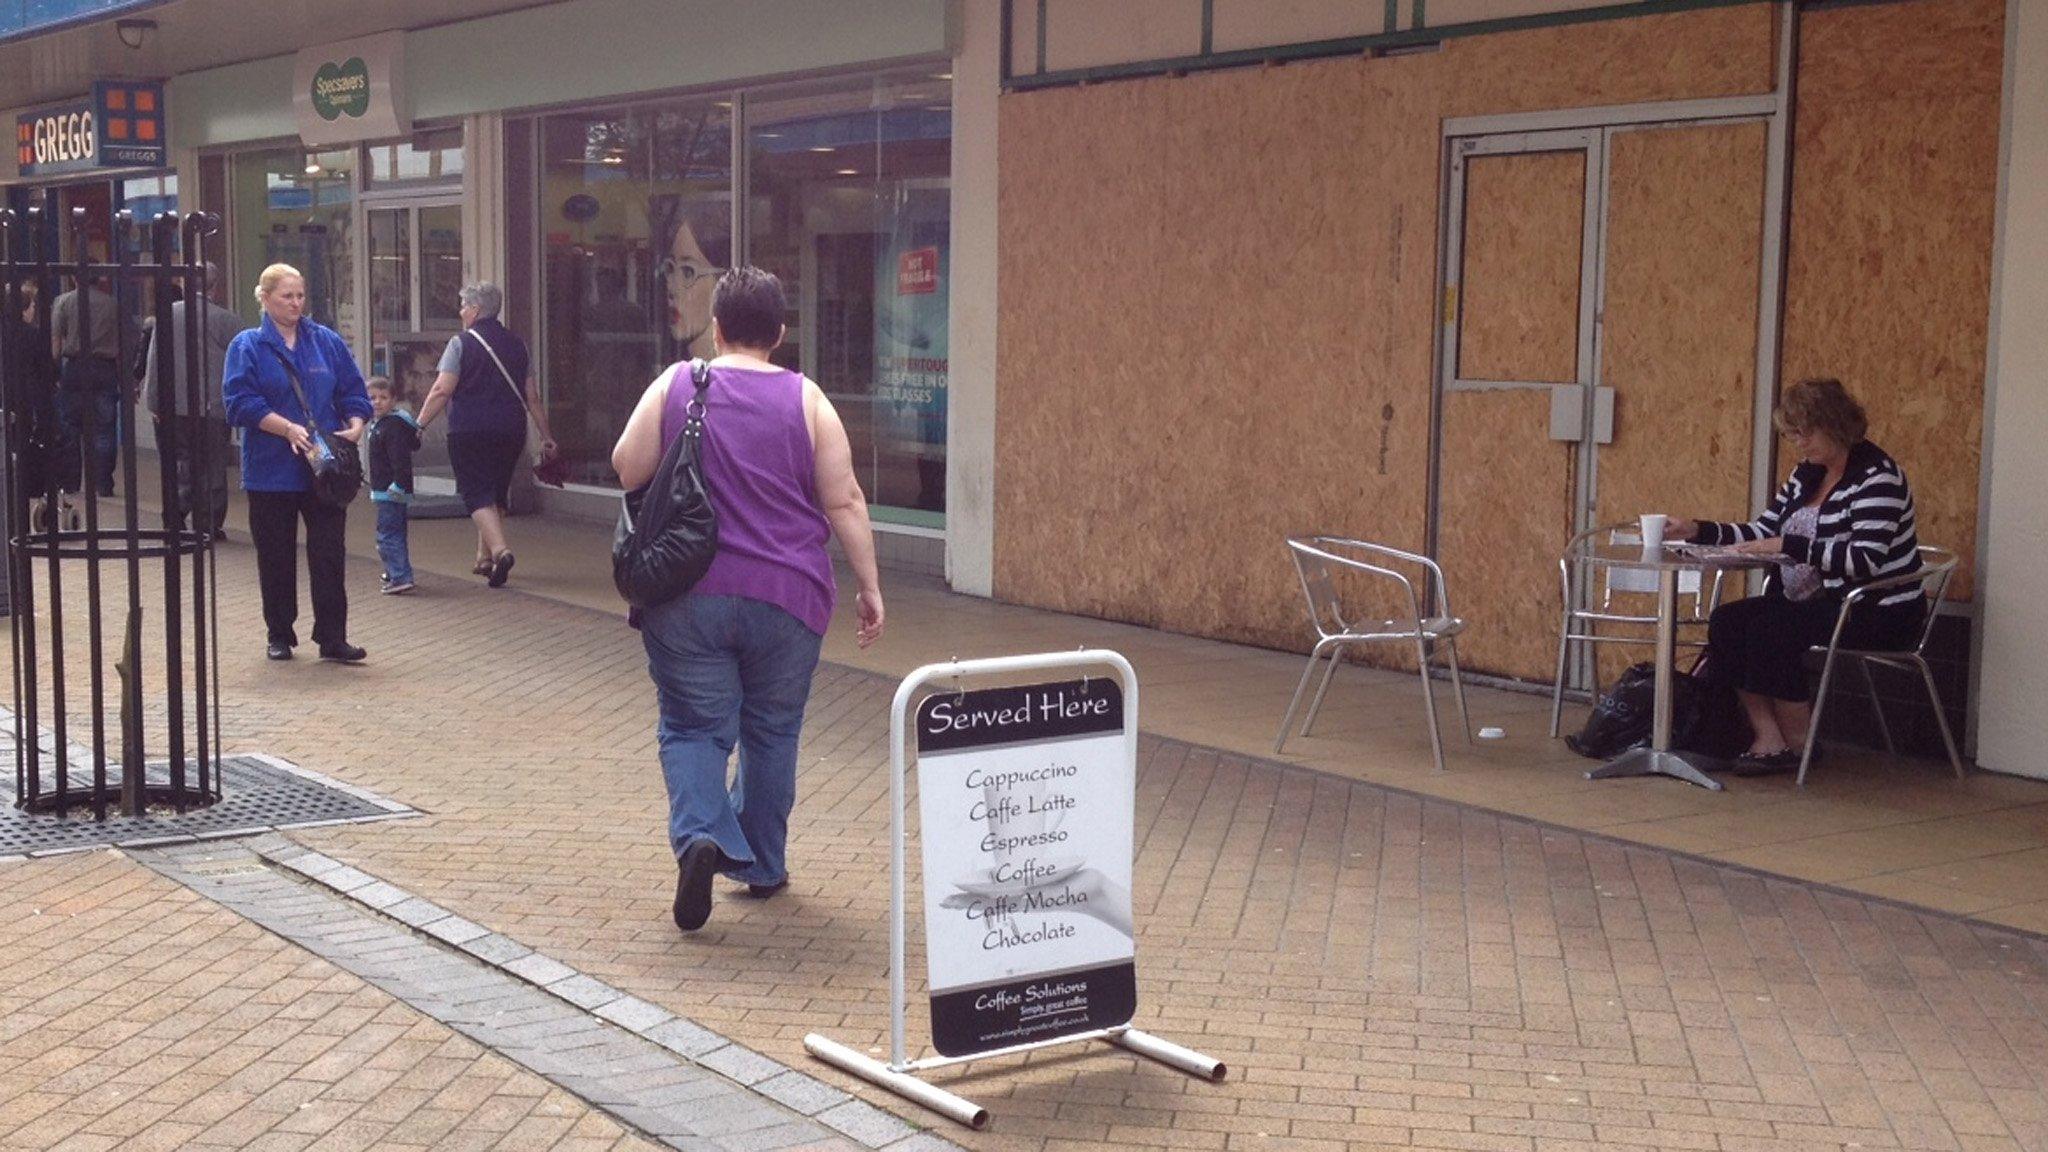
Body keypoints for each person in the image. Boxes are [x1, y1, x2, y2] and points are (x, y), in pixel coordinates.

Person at [611, 266, 885, 932]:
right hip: (789, 597)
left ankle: (702, 834)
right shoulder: (808, 399)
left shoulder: (679, 382)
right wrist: (870, 587)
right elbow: (844, 499)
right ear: (781, 332)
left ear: (718, 328)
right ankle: (762, 863)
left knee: (693, 726)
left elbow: (626, 465)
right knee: (772, 731)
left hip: (688, 591)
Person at [1665, 378, 1924, 774]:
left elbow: (1865, 560)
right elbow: (1764, 531)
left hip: (1877, 609)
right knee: (1729, 622)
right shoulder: (1807, 474)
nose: (1799, 443)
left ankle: (1801, 745)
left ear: (1835, 424)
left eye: (1806, 432)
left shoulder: (1878, 478)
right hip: (1818, 601)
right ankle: (1767, 736)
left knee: (1774, 627)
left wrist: (1790, 546)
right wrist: (1698, 530)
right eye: (1793, 435)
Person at [221, 263, 373, 664]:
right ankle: (279, 633)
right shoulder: (247, 345)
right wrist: (285, 429)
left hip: (323, 470)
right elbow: (239, 403)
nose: (296, 303)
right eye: (287, 296)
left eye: (300, 295)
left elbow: (353, 390)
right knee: (275, 554)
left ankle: (332, 637)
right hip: (271, 469)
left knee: (328, 552)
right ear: (266, 298)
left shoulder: (325, 341)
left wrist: (356, 425)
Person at [416, 282, 556, 588]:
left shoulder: (460, 343)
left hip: (469, 430)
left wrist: (419, 424)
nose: (461, 311)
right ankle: (484, 558)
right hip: (510, 430)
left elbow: (442, 389)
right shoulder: (518, 345)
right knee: (494, 491)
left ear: (476, 310)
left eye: (464, 305)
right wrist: (546, 435)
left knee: (476, 493)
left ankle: (501, 551)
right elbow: (532, 397)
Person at [145, 262, 249, 539]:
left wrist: (154, 401)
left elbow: (155, 361)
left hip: (174, 405)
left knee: (179, 461)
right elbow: (242, 364)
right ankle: (208, 523)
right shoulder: (228, 320)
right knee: (212, 465)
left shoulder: (165, 316)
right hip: (212, 406)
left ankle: (174, 517)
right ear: (215, 287)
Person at [49, 269, 130, 503]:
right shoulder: (112, 304)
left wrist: (54, 370)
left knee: (71, 425)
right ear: (100, 278)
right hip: (104, 368)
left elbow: (56, 340)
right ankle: (103, 482)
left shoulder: (63, 302)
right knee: (105, 428)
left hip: (74, 367)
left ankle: (71, 481)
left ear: (74, 278)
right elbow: (123, 340)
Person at [10, 280, 63, 531]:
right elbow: (48, 371)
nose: (33, 311)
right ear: (23, 309)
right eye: (31, 306)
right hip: (29, 406)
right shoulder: (32, 334)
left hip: (8, 403)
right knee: (31, 452)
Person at [365, 376, 421, 596]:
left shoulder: (391, 427)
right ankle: (395, 570)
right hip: (387, 491)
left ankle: (399, 576)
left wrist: (398, 484)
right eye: (372, 398)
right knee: (394, 532)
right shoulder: (381, 425)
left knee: (387, 534)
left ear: (394, 400)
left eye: (383, 398)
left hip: (390, 491)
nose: (377, 402)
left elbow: (400, 460)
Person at [657, 199, 730, 363]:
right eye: (670, 269)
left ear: (721, 282)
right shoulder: (675, 375)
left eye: (688, 272)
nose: (671, 288)